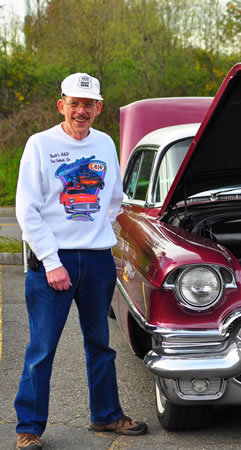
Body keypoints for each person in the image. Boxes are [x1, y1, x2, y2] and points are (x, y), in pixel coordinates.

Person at [14, 73, 147, 450]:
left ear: (98, 108)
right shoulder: (40, 145)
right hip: (52, 264)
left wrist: (98, 240)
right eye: (74, 103)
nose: (81, 110)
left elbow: (114, 200)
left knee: (100, 344)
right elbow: (28, 210)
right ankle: (30, 428)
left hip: (97, 261)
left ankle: (105, 415)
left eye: (88, 104)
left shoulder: (105, 143)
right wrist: (53, 261)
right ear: (62, 105)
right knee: (42, 349)